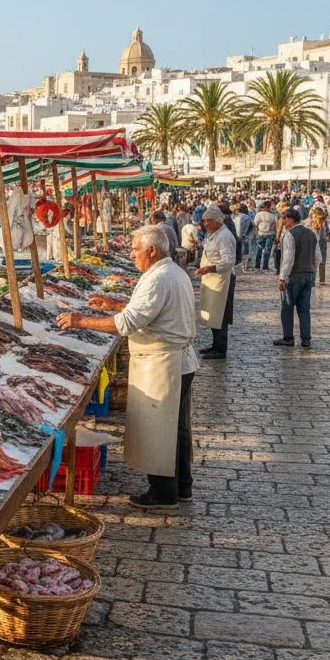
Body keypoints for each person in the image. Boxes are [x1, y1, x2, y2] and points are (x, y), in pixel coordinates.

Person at [56, 225, 197, 508]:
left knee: (160, 429)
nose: (131, 255)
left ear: (152, 250)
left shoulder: (158, 279)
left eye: (135, 249)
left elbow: (126, 324)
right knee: (176, 429)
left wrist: (79, 321)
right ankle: (182, 486)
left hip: (162, 363)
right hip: (179, 360)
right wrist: (115, 302)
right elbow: (148, 310)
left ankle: (162, 493)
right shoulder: (171, 272)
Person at [194, 205, 236, 360]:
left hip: (222, 280)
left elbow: (228, 261)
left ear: (218, 221)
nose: (206, 225)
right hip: (212, 279)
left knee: (220, 314)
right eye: (204, 222)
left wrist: (209, 268)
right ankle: (215, 344)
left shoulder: (224, 236)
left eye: (209, 222)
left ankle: (220, 348)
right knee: (212, 314)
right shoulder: (215, 234)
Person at [274, 208, 318, 349]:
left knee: (287, 306)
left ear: (289, 219)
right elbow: (317, 257)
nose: (283, 222)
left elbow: (288, 259)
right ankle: (306, 339)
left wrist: (282, 278)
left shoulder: (290, 234)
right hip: (308, 274)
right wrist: (313, 275)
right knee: (304, 308)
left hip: (294, 275)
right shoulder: (311, 234)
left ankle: (288, 337)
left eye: (284, 219)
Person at [307, 206, 329, 285]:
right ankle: (322, 280)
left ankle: (312, 281)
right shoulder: (324, 222)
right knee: (322, 261)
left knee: (313, 262)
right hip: (322, 243)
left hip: (312, 243)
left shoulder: (309, 222)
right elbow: (327, 234)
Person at [252, 201, 276, 270]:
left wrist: (256, 234)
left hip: (262, 234)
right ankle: (264, 266)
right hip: (268, 234)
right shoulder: (271, 215)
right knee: (266, 251)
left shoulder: (259, 214)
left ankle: (258, 265)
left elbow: (255, 225)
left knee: (259, 250)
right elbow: (274, 227)